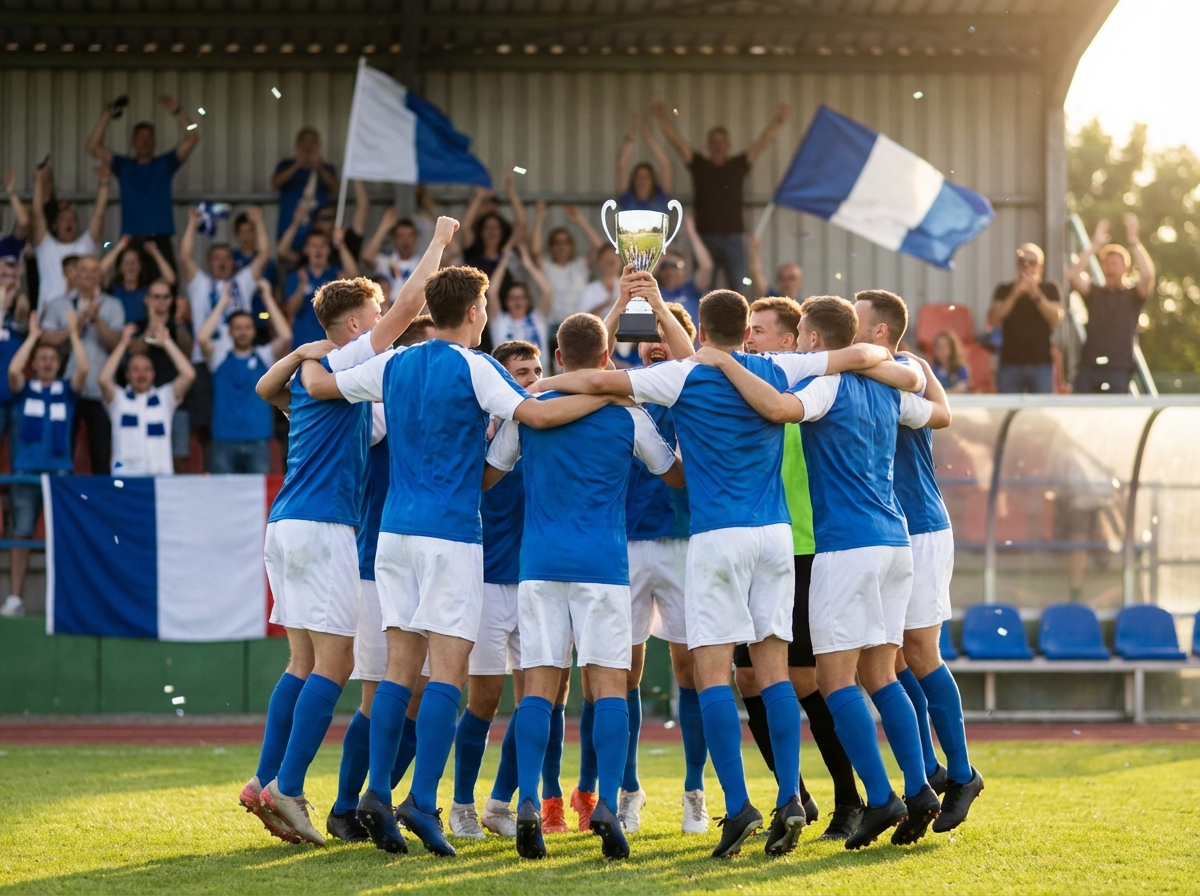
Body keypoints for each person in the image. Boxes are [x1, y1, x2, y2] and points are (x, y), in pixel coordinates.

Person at [534, 285, 904, 858]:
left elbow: (600, 379)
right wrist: (896, 364)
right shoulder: (779, 366)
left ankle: (737, 806)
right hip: (776, 537)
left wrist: (541, 385)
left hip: (717, 537)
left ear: (701, 331)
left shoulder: (681, 375)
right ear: (741, 330)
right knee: (775, 672)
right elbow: (857, 355)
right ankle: (788, 796)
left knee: (714, 676)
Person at [300, 262, 619, 859]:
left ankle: (375, 794)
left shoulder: (393, 362)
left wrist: (307, 354)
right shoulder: (478, 366)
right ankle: (420, 801)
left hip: (393, 534)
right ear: (474, 311)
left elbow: (318, 388)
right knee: (447, 672)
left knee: (399, 670)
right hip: (450, 534)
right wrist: (610, 395)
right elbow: (540, 417)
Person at [693, 294, 946, 851]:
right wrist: (911, 367)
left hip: (845, 548)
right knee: (881, 674)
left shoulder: (827, 385)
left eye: (803, 333)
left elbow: (781, 410)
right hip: (895, 541)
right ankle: (920, 786)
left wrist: (724, 361)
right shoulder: (888, 383)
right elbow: (940, 414)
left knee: (835, 682)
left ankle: (878, 797)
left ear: (811, 339)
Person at [244, 221, 455, 849]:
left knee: (302, 661)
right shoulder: (346, 360)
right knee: (334, 665)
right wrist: (438, 242)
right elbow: (415, 302)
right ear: (358, 327)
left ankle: (262, 780)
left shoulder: (323, 385)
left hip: (284, 524)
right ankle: (287, 787)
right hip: (325, 529)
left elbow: (264, 389)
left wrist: (301, 353)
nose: (386, 318)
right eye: (377, 313)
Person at [483, 312, 684, 861]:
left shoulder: (530, 412)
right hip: (603, 567)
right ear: (604, 360)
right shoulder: (629, 416)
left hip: (540, 564)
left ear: (557, 357)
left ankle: (527, 801)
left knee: (539, 689)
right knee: (610, 688)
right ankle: (607, 808)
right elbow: (674, 473)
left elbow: (489, 474)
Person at [732, 294, 869, 842]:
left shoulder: (809, 386)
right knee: (748, 679)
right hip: (761, 548)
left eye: (760, 331)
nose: (750, 339)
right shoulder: (750, 379)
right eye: (747, 331)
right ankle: (795, 793)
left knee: (807, 679)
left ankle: (849, 798)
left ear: (794, 341)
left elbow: (861, 354)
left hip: (805, 546)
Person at [855, 289, 983, 834]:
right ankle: (927, 772)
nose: (848, 332)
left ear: (881, 332)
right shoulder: (870, 370)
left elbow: (938, 410)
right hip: (885, 531)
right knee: (888, 660)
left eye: (856, 320)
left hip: (921, 527)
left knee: (919, 651)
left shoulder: (902, 364)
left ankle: (962, 772)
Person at [594, 283, 710, 835]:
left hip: (685, 542)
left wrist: (664, 314)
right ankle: (629, 790)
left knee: (692, 670)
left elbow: (691, 360)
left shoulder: (693, 384)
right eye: (645, 338)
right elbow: (587, 349)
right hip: (626, 544)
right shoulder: (622, 388)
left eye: (662, 334)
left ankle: (694, 791)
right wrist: (624, 306)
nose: (654, 345)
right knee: (627, 671)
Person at [449, 340, 571, 841]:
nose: (533, 378)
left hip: (536, 583)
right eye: (522, 372)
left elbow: (590, 358)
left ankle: (501, 803)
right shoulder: (484, 433)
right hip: (485, 582)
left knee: (540, 701)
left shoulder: (548, 429)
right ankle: (460, 805)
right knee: (483, 700)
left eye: (539, 369)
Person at [327, 320, 438, 845]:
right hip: (378, 562)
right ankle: (347, 807)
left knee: (419, 694)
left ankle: (378, 802)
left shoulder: (446, 402)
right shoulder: (378, 407)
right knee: (379, 693)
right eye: (424, 346)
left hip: (431, 558)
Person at [653, 101, 791, 290]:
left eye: (721, 142)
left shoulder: (738, 165)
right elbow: (678, 144)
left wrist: (779, 120)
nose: (718, 146)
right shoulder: (699, 165)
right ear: (708, 145)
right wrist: (662, 119)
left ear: (728, 145)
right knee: (704, 290)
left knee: (738, 289)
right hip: (705, 238)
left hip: (733, 238)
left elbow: (762, 143)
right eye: (714, 142)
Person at [3, 311, 88, 617]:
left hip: (60, 474)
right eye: (42, 358)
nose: (48, 362)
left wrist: (75, 333)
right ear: (35, 362)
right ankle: (15, 598)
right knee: (21, 534)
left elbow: (85, 368)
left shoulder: (66, 391)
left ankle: (63, 598)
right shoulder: (23, 389)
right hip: (25, 472)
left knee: (61, 537)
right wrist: (34, 336)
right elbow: (13, 370)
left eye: (53, 358)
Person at [86, 94, 200, 267]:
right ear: (133, 141)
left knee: (167, 288)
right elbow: (92, 146)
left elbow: (193, 136)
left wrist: (178, 112)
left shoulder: (165, 164)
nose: (145, 142)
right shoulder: (123, 166)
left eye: (149, 137)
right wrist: (107, 115)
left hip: (160, 240)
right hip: (131, 241)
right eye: (140, 137)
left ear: (154, 141)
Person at [38, 255, 125, 474]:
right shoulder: (60, 304)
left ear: (100, 275)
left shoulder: (112, 305)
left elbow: (117, 343)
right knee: (64, 450)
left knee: (100, 452)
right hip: (67, 386)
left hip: (100, 389)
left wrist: (96, 320)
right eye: (83, 270)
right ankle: (63, 497)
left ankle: (99, 502)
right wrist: (75, 325)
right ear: (74, 274)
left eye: (94, 270)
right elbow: (46, 340)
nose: (87, 275)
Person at [197, 280, 292, 474]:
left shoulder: (265, 356)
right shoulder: (219, 356)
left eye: (247, 327)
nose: (243, 332)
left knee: (259, 502)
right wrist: (223, 302)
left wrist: (267, 298)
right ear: (229, 332)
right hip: (223, 439)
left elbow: (285, 337)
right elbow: (202, 338)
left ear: (254, 330)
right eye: (237, 328)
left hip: (258, 439)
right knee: (222, 498)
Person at [1068, 214, 1156, 394]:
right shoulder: (1094, 293)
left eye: (1114, 264)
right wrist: (1093, 247)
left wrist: (1133, 241)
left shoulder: (1133, 296)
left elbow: (1147, 276)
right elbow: (1074, 276)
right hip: (1089, 366)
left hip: (1119, 367)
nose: (1109, 268)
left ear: (1126, 268)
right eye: (1106, 264)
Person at [98, 322, 195, 475]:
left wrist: (167, 343)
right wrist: (123, 345)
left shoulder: (164, 398)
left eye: (146, 370)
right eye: (135, 370)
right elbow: (103, 379)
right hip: (126, 478)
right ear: (127, 375)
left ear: (153, 374)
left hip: (160, 478)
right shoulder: (119, 400)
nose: (141, 374)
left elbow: (188, 375)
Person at [180, 205, 271, 358]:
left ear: (233, 263)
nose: (222, 263)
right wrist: (192, 224)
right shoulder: (200, 284)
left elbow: (264, 256)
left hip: (237, 357)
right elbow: (184, 258)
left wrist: (258, 222)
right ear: (208, 264)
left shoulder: (242, 282)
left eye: (226, 258)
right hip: (204, 357)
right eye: (216, 259)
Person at [988, 244, 1063, 394]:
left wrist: (1035, 294)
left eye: (1032, 262)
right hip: (1010, 363)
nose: (1027, 266)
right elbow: (994, 318)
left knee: (1040, 411)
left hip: (1041, 364)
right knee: (1006, 410)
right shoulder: (1004, 289)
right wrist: (1015, 295)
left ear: (1040, 267)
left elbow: (1056, 318)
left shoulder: (1049, 288)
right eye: (1023, 262)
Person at [31, 162, 108, 306]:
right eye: (64, 219)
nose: (69, 222)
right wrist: (38, 182)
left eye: (73, 219)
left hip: (82, 315)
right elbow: (37, 216)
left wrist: (104, 181)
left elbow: (99, 215)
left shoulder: (85, 245)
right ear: (54, 225)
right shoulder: (46, 246)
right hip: (49, 320)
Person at [530, 201, 604, 340]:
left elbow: (602, 250)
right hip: (550, 328)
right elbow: (534, 251)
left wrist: (580, 220)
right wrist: (539, 217)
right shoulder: (547, 267)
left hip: (577, 326)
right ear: (551, 247)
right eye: (557, 242)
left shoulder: (580, 266)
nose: (561, 246)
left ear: (571, 246)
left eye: (565, 242)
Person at [285, 228, 361, 348]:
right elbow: (292, 309)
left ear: (329, 250)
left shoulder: (336, 274)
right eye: (313, 246)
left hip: (333, 345)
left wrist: (341, 244)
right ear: (306, 249)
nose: (318, 250)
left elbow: (356, 278)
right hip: (303, 344)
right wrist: (302, 286)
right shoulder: (297, 276)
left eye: (323, 245)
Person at [275, 180, 369, 269]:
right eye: (325, 218)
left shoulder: (347, 239)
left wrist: (354, 173)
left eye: (333, 217)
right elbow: (282, 252)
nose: (330, 222)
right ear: (316, 223)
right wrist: (295, 223)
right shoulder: (310, 242)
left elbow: (363, 206)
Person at [271, 128, 339, 248]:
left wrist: (318, 166)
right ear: (297, 144)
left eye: (312, 142)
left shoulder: (326, 168)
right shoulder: (286, 164)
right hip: (289, 228)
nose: (308, 146)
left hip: (317, 234)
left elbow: (335, 188)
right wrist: (298, 163)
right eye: (304, 141)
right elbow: (275, 183)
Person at [486, 237, 554, 357]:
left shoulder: (538, 318)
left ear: (528, 300)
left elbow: (547, 291)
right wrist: (504, 259)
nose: (517, 301)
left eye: (521, 297)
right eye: (512, 298)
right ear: (506, 302)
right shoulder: (499, 321)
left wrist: (528, 264)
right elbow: (491, 292)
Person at [653, 215, 713, 332]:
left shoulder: (691, 288)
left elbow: (707, 267)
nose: (670, 270)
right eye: (665, 266)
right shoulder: (655, 293)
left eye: (675, 266)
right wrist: (660, 257)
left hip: (692, 344)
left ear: (684, 270)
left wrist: (692, 233)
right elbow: (644, 276)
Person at [100, 236, 176, 325]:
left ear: (140, 266)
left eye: (134, 262)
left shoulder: (147, 289)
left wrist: (155, 252)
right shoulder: (114, 288)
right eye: (127, 263)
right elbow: (98, 273)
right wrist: (119, 247)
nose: (131, 267)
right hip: (116, 333)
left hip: (143, 333)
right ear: (120, 268)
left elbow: (171, 279)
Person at [362, 208, 422, 308]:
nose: (405, 240)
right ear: (394, 239)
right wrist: (384, 227)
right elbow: (367, 256)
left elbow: (453, 253)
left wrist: (432, 220)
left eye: (410, 235)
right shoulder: (386, 262)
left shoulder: (423, 264)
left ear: (416, 238)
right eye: (401, 235)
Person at [616, 113, 674, 213]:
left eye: (646, 177)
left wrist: (649, 138)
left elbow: (666, 165)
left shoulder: (660, 196)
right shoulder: (627, 198)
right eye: (638, 177)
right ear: (633, 180)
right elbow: (621, 165)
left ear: (653, 181)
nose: (642, 181)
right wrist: (632, 135)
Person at [747, 234, 803, 301]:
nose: (787, 283)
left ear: (801, 281)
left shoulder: (805, 307)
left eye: (792, 278)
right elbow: (755, 273)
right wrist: (755, 249)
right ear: (777, 281)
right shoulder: (772, 299)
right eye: (782, 278)